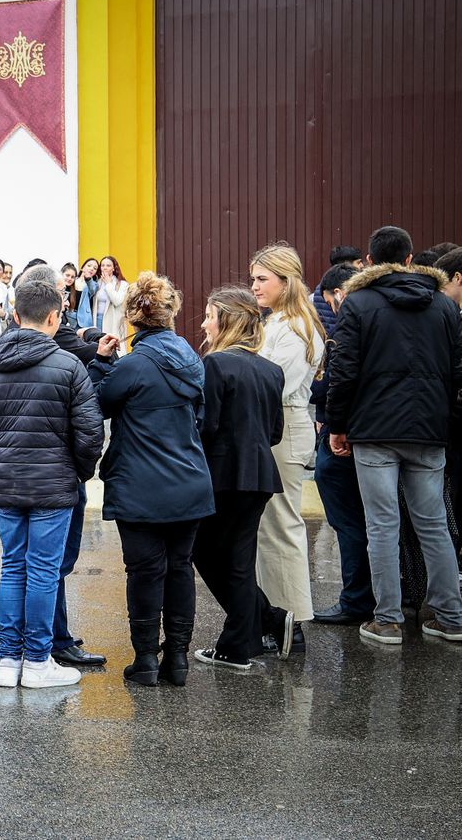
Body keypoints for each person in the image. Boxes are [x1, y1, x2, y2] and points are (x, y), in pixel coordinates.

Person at [327, 225, 462, 646]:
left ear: (369, 261)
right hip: (429, 430)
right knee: (434, 524)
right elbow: (457, 371)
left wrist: (338, 426)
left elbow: (343, 371)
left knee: (381, 524)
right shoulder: (443, 306)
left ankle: (386, 620)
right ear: (408, 259)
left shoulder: (359, 303)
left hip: (375, 430)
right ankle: (451, 616)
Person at [0, 280, 104, 689]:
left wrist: (0, 466)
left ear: (13, 316)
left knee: (13, 567)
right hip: (54, 485)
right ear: (54, 317)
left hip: (9, 482)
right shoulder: (68, 366)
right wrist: (76, 472)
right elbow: (90, 433)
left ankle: (8, 661)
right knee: (43, 571)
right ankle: (39, 660)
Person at [88, 272, 214, 687]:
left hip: (141, 484)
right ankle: (176, 660)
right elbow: (202, 418)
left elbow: (99, 405)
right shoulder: (191, 357)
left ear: (134, 317)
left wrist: (101, 362)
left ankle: (145, 660)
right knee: (179, 568)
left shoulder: (135, 363)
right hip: (190, 479)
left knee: (144, 571)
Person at [191, 287, 289, 671]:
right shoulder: (271, 370)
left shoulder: (215, 365)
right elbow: (275, 431)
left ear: (227, 321)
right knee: (237, 560)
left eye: (209, 316)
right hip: (260, 475)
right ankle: (262, 623)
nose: (203, 323)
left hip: (223, 475)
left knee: (208, 553)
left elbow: (206, 425)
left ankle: (242, 640)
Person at [250, 245, 326, 645]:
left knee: (281, 525)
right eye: (254, 278)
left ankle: (290, 621)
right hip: (272, 428)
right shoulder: (280, 322)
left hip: (284, 427)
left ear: (286, 280)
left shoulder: (296, 326)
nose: (255, 286)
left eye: (262, 279)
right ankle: (274, 616)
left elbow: (279, 384)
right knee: (269, 526)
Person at [309, 263, 373, 625]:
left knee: (348, 522)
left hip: (345, 435)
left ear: (337, 295)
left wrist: (334, 426)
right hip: (382, 432)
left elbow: (333, 384)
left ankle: (356, 599)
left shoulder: (349, 324)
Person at [93, 255, 128, 338]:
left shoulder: (122, 284)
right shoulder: (97, 282)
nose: (105, 268)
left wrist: (108, 284)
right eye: (102, 265)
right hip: (97, 319)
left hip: (113, 321)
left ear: (113, 268)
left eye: (108, 265)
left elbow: (117, 301)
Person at [73, 258, 99, 329]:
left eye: (95, 268)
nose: (91, 269)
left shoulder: (94, 284)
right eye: (89, 265)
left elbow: (92, 291)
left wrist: (88, 279)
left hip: (84, 319)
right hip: (70, 317)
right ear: (83, 267)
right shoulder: (73, 280)